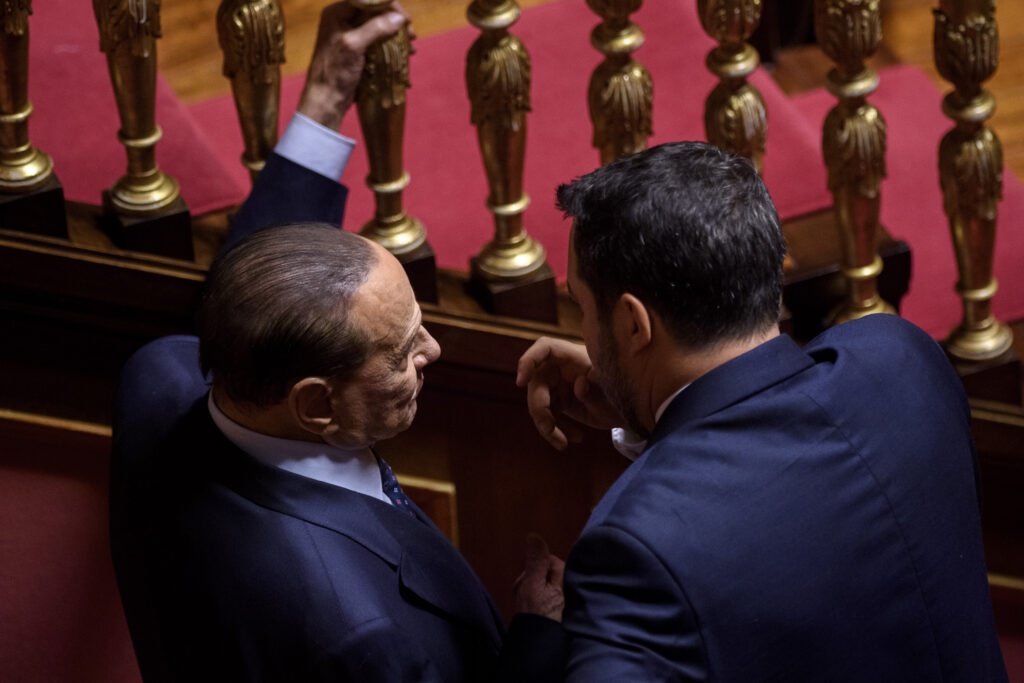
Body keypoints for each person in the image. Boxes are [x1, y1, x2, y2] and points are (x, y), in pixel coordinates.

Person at [110, 3, 563, 681]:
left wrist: (322, 100)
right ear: (317, 405)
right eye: (404, 349)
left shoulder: (161, 378)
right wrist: (536, 642)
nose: (433, 352)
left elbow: (251, 296)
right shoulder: (365, 643)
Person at [514, 141, 1009, 681]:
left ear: (634, 325)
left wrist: (540, 642)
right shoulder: (905, 361)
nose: (581, 330)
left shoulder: (631, 553)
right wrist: (641, 405)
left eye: (581, 307)